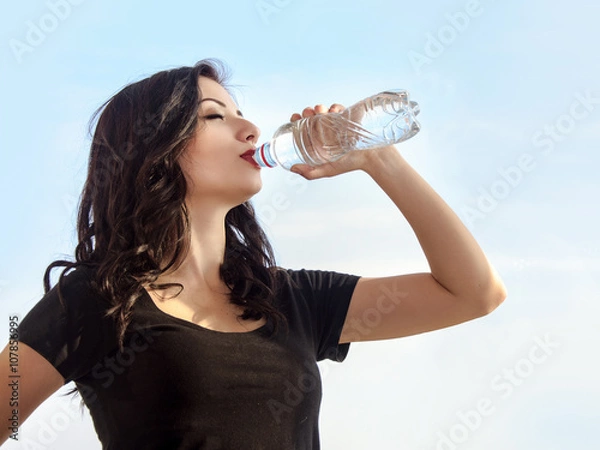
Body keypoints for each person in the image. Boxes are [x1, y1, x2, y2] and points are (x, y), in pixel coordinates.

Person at [0, 59, 507, 449]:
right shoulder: (95, 301)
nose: (250, 130)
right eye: (215, 116)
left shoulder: (292, 298)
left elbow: (472, 293)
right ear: (154, 148)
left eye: (242, 114)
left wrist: (379, 159)